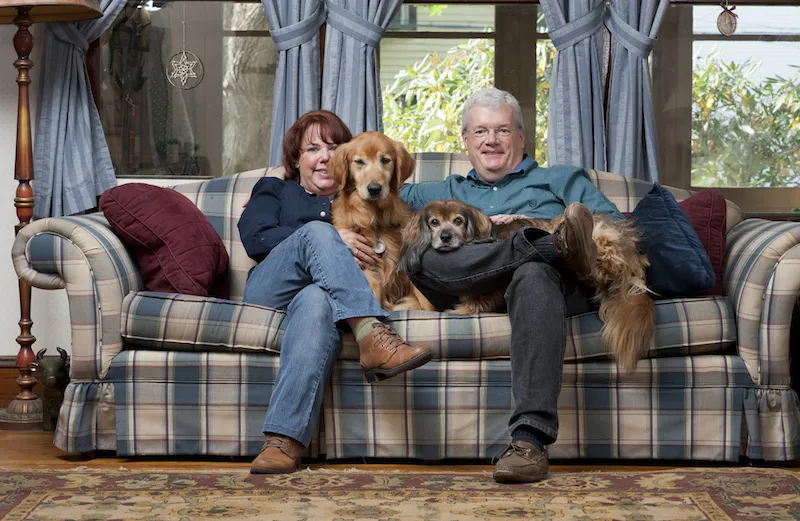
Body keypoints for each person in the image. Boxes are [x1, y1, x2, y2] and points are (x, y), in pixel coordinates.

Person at [400, 87, 625, 484]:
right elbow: (371, 197)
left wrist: (527, 223)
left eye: (502, 130)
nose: (491, 140)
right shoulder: (442, 192)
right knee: (422, 253)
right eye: (481, 131)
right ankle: (544, 246)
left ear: (521, 136)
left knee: (534, 273)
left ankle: (529, 444)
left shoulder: (559, 180)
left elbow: (610, 227)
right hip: (463, 283)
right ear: (465, 141)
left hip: (543, 292)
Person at [239, 110, 433, 474]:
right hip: (270, 288)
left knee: (316, 299)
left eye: (332, 147)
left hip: (312, 305)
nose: (325, 156)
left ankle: (284, 440)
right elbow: (256, 238)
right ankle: (372, 333)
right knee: (316, 233)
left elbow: (420, 193)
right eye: (312, 149)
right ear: (296, 160)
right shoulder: (276, 189)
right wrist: (332, 235)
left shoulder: (362, 203)